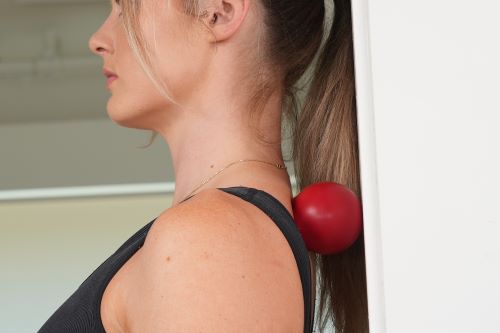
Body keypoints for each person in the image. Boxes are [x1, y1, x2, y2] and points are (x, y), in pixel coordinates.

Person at [38, 0, 368, 332]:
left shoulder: (209, 239)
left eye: (127, 8)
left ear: (219, 11)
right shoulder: (217, 236)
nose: (97, 39)